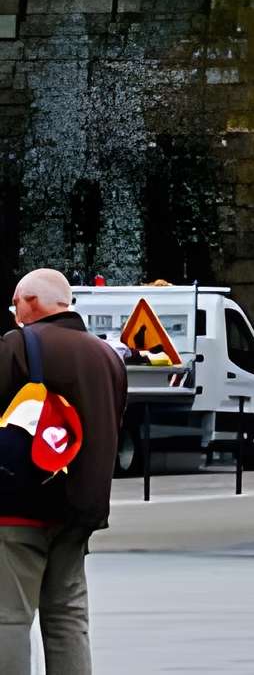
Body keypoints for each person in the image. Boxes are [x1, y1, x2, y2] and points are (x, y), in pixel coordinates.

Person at [3, 269, 117, 675]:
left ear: (32, 302)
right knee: (67, 616)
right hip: (80, 509)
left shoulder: (19, 346)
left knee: (9, 616)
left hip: (19, 505)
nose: (14, 312)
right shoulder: (107, 356)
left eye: (16, 303)